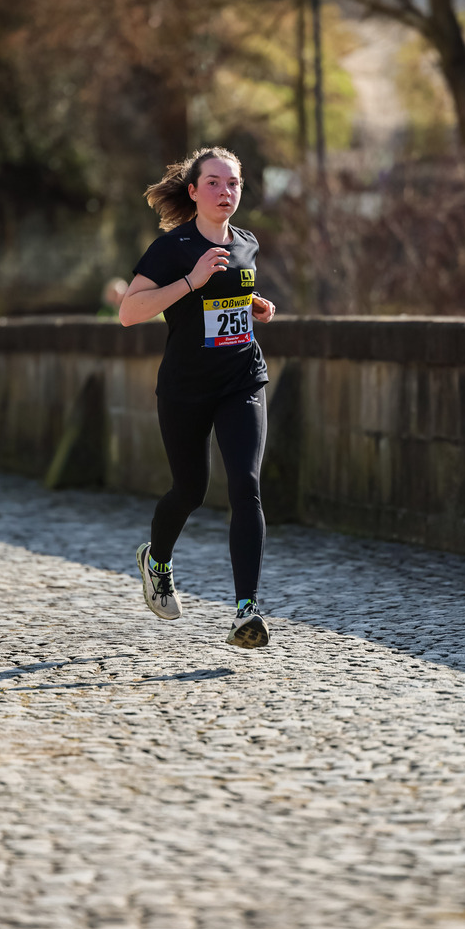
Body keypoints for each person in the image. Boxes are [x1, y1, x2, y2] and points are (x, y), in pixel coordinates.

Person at [119, 146, 276, 649]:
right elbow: (129, 311)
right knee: (189, 490)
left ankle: (246, 610)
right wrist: (190, 281)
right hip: (186, 389)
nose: (224, 192)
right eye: (213, 182)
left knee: (245, 485)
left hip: (241, 379)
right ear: (193, 191)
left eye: (232, 183)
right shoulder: (172, 248)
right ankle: (157, 561)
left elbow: (224, 298)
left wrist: (253, 306)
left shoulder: (247, 243)